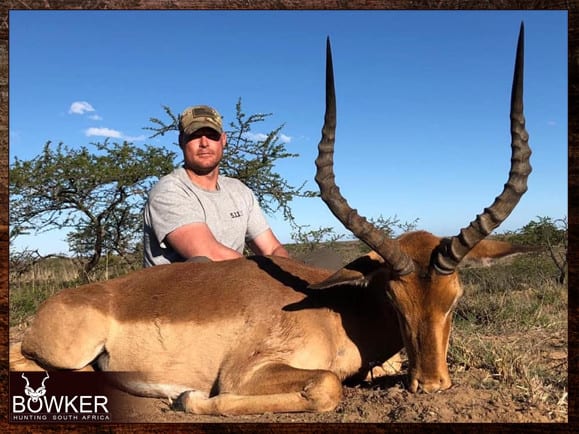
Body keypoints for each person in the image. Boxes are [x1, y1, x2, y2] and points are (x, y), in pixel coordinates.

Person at [143, 105, 289, 267]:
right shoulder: (169, 190)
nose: (204, 143)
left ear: (223, 140)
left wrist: (287, 271)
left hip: (237, 282)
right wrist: (272, 275)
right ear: (181, 141)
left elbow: (272, 248)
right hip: (181, 290)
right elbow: (210, 255)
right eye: (194, 136)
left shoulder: (239, 190)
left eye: (212, 135)